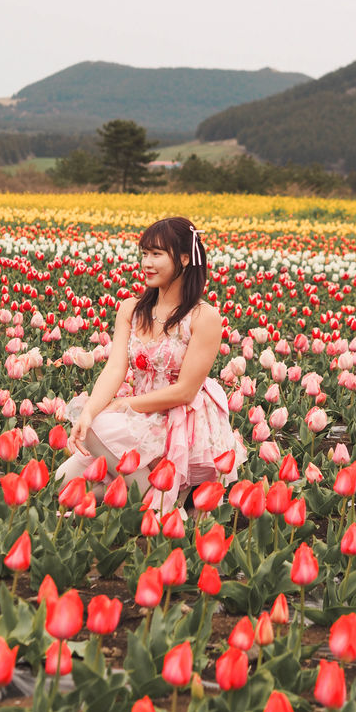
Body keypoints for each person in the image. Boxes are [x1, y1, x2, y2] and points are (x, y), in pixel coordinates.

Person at [55, 216, 246, 512]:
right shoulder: (131, 309)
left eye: (157, 254)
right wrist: (90, 411)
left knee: (97, 430)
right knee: (61, 481)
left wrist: (123, 405)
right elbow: (115, 369)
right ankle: (126, 490)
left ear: (184, 258)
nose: (146, 262)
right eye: (144, 253)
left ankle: (162, 506)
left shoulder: (202, 317)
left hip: (178, 418)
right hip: (140, 415)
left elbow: (184, 391)